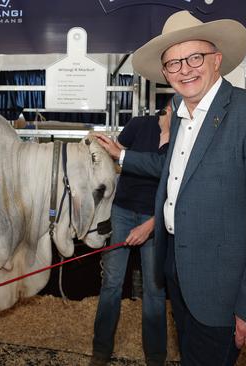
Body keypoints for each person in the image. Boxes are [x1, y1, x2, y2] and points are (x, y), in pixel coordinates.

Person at [96, 11, 246, 365]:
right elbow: (175, 170)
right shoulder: (179, 114)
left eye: (195, 57)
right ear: (164, 73)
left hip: (224, 285)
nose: (184, 69)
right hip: (177, 267)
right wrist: (124, 155)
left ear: (217, 59)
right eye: (173, 63)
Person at [91, 104, 172, 366]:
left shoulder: (185, 136)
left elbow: (178, 186)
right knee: (111, 284)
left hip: (155, 218)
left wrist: (152, 224)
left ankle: (156, 357)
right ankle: (101, 351)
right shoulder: (139, 124)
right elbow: (113, 155)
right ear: (170, 107)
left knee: (155, 289)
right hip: (123, 211)